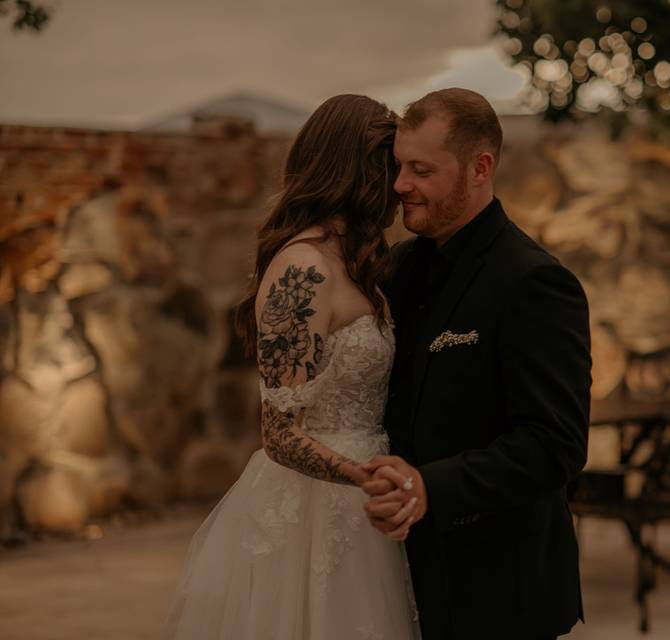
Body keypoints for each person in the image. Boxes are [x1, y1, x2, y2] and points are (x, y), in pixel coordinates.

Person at [163, 94, 421, 640]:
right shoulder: (301, 271)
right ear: (355, 170)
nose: (397, 186)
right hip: (318, 507)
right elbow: (279, 434)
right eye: (387, 167)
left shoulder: (356, 262)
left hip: (366, 504)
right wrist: (363, 477)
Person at [362, 88, 592, 640]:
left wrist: (429, 487)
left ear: (480, 168)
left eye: (421, 170)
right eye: (398, 167)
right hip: (396, 579)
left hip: (497, 589)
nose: (400, 186)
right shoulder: (397, 267)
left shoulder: (534, 282)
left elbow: (553, 444)